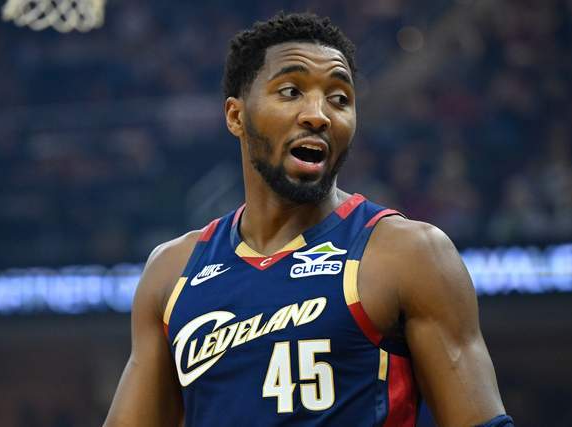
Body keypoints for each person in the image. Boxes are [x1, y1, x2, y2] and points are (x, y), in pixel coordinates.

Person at [104, 12, 513, 427]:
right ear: (236, 116)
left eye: (340, 98)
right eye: (291, 91)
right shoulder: (172, 271)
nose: (318, 115)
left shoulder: (408, 253)